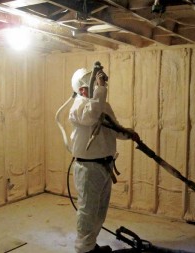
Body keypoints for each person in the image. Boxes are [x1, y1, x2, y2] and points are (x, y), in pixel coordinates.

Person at [69, 66, 139, 253]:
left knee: (100, 210)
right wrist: (101, 89)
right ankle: (82, 249)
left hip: (105, 166)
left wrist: (128, 134)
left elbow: (113, 129)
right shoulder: (80, 106)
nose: (98, 87)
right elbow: (90, 116)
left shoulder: (102, 106)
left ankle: (90, 245)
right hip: (89, 168)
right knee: (88, 210)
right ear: (82, 89)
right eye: (92, 85)